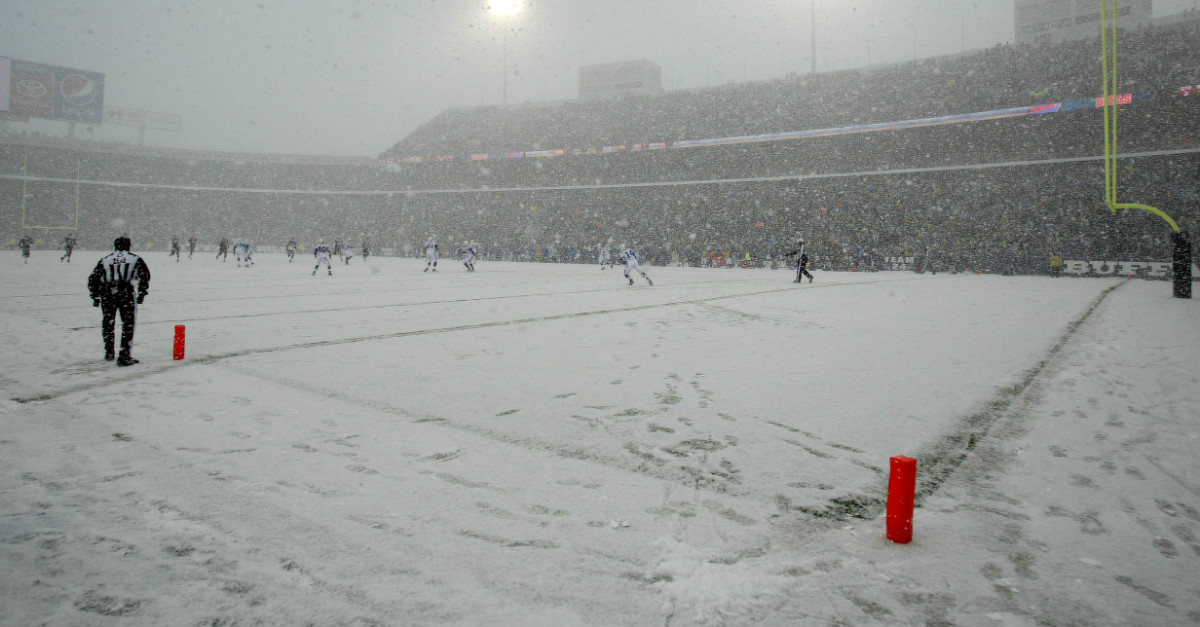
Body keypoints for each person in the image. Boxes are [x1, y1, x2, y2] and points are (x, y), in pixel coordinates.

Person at [87, 236, 150, 366]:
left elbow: (93, 278)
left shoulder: (105, 260)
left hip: (107, 292)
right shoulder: (134, 259)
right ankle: (124, 354)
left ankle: (109, 351)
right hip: (125, 291)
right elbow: (145, 275)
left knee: (108, 322)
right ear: (128, 246)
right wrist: (142, 293)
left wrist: (95, 295)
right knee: (128, 324)